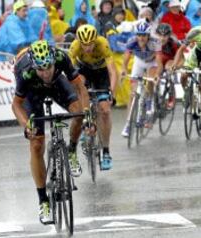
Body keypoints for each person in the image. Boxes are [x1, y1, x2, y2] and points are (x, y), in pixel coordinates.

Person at [12, 40, 89, 224]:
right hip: (32, 94)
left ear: (54, 60)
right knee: (37, 144)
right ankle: (43, 201)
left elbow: (79, 86)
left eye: (49, 67)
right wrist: (26, 125)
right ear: (34, 66)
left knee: (78, 113)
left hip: (58, 85)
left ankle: (71, 151)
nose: (46, 73)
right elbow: (16, 104)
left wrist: (86, 111)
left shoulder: (62, 57)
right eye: (41, 69)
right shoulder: (26, 71)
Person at [68, 24, 117, 170]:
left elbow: (113, 72)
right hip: (84, 70)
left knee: (105, 110)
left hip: (101, 72)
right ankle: (85, 120)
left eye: (90, 44)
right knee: (80, 84)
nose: (87, 48)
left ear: (95, 41)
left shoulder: (102, 44)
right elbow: (69, 70)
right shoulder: (75, 46)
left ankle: (106, 151)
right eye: (84, 45)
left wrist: (111, 93)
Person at [120, 21, 163, 135]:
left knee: (150, 80)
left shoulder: (155, 42)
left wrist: (157, 76)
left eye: (144, 35)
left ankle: (149, 101)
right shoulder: (132, 41)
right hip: (139, 62)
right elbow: (126, 59)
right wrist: (124, 70)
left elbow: (159, 63)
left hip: (152, 62)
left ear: (148, 35)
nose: (141, 38)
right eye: (139, 35)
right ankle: (128, 124)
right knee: (133, 93)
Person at [155, 23, 182, 108]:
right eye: (160, 35)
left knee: (168, 67)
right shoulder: (152, 42)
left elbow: (182, 59)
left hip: (169, 61)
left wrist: (175, 66)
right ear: (156, 34)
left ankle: (171, 94)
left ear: (169, 35)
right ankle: (155, 94)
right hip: (157, 61)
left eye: (165, 36)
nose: (162, 38)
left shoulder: (174, 43)